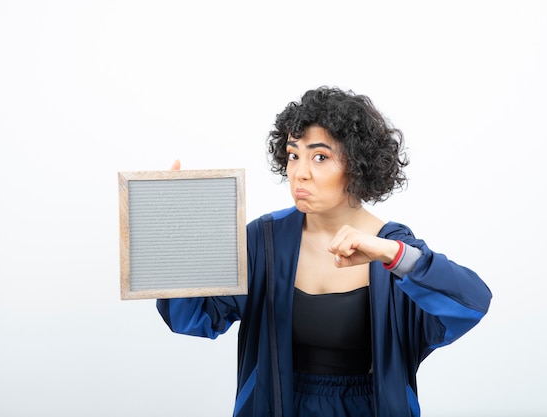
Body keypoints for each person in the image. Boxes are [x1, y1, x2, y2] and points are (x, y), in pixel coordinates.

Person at [156, 86, 492, 417]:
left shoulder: (392, 246)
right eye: (293, 155)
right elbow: (190, 318)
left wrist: (392, 255)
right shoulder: (263, 240)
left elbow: (470, 303)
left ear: (358, 165)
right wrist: (177, 234)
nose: (300, 172)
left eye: (320, 157)